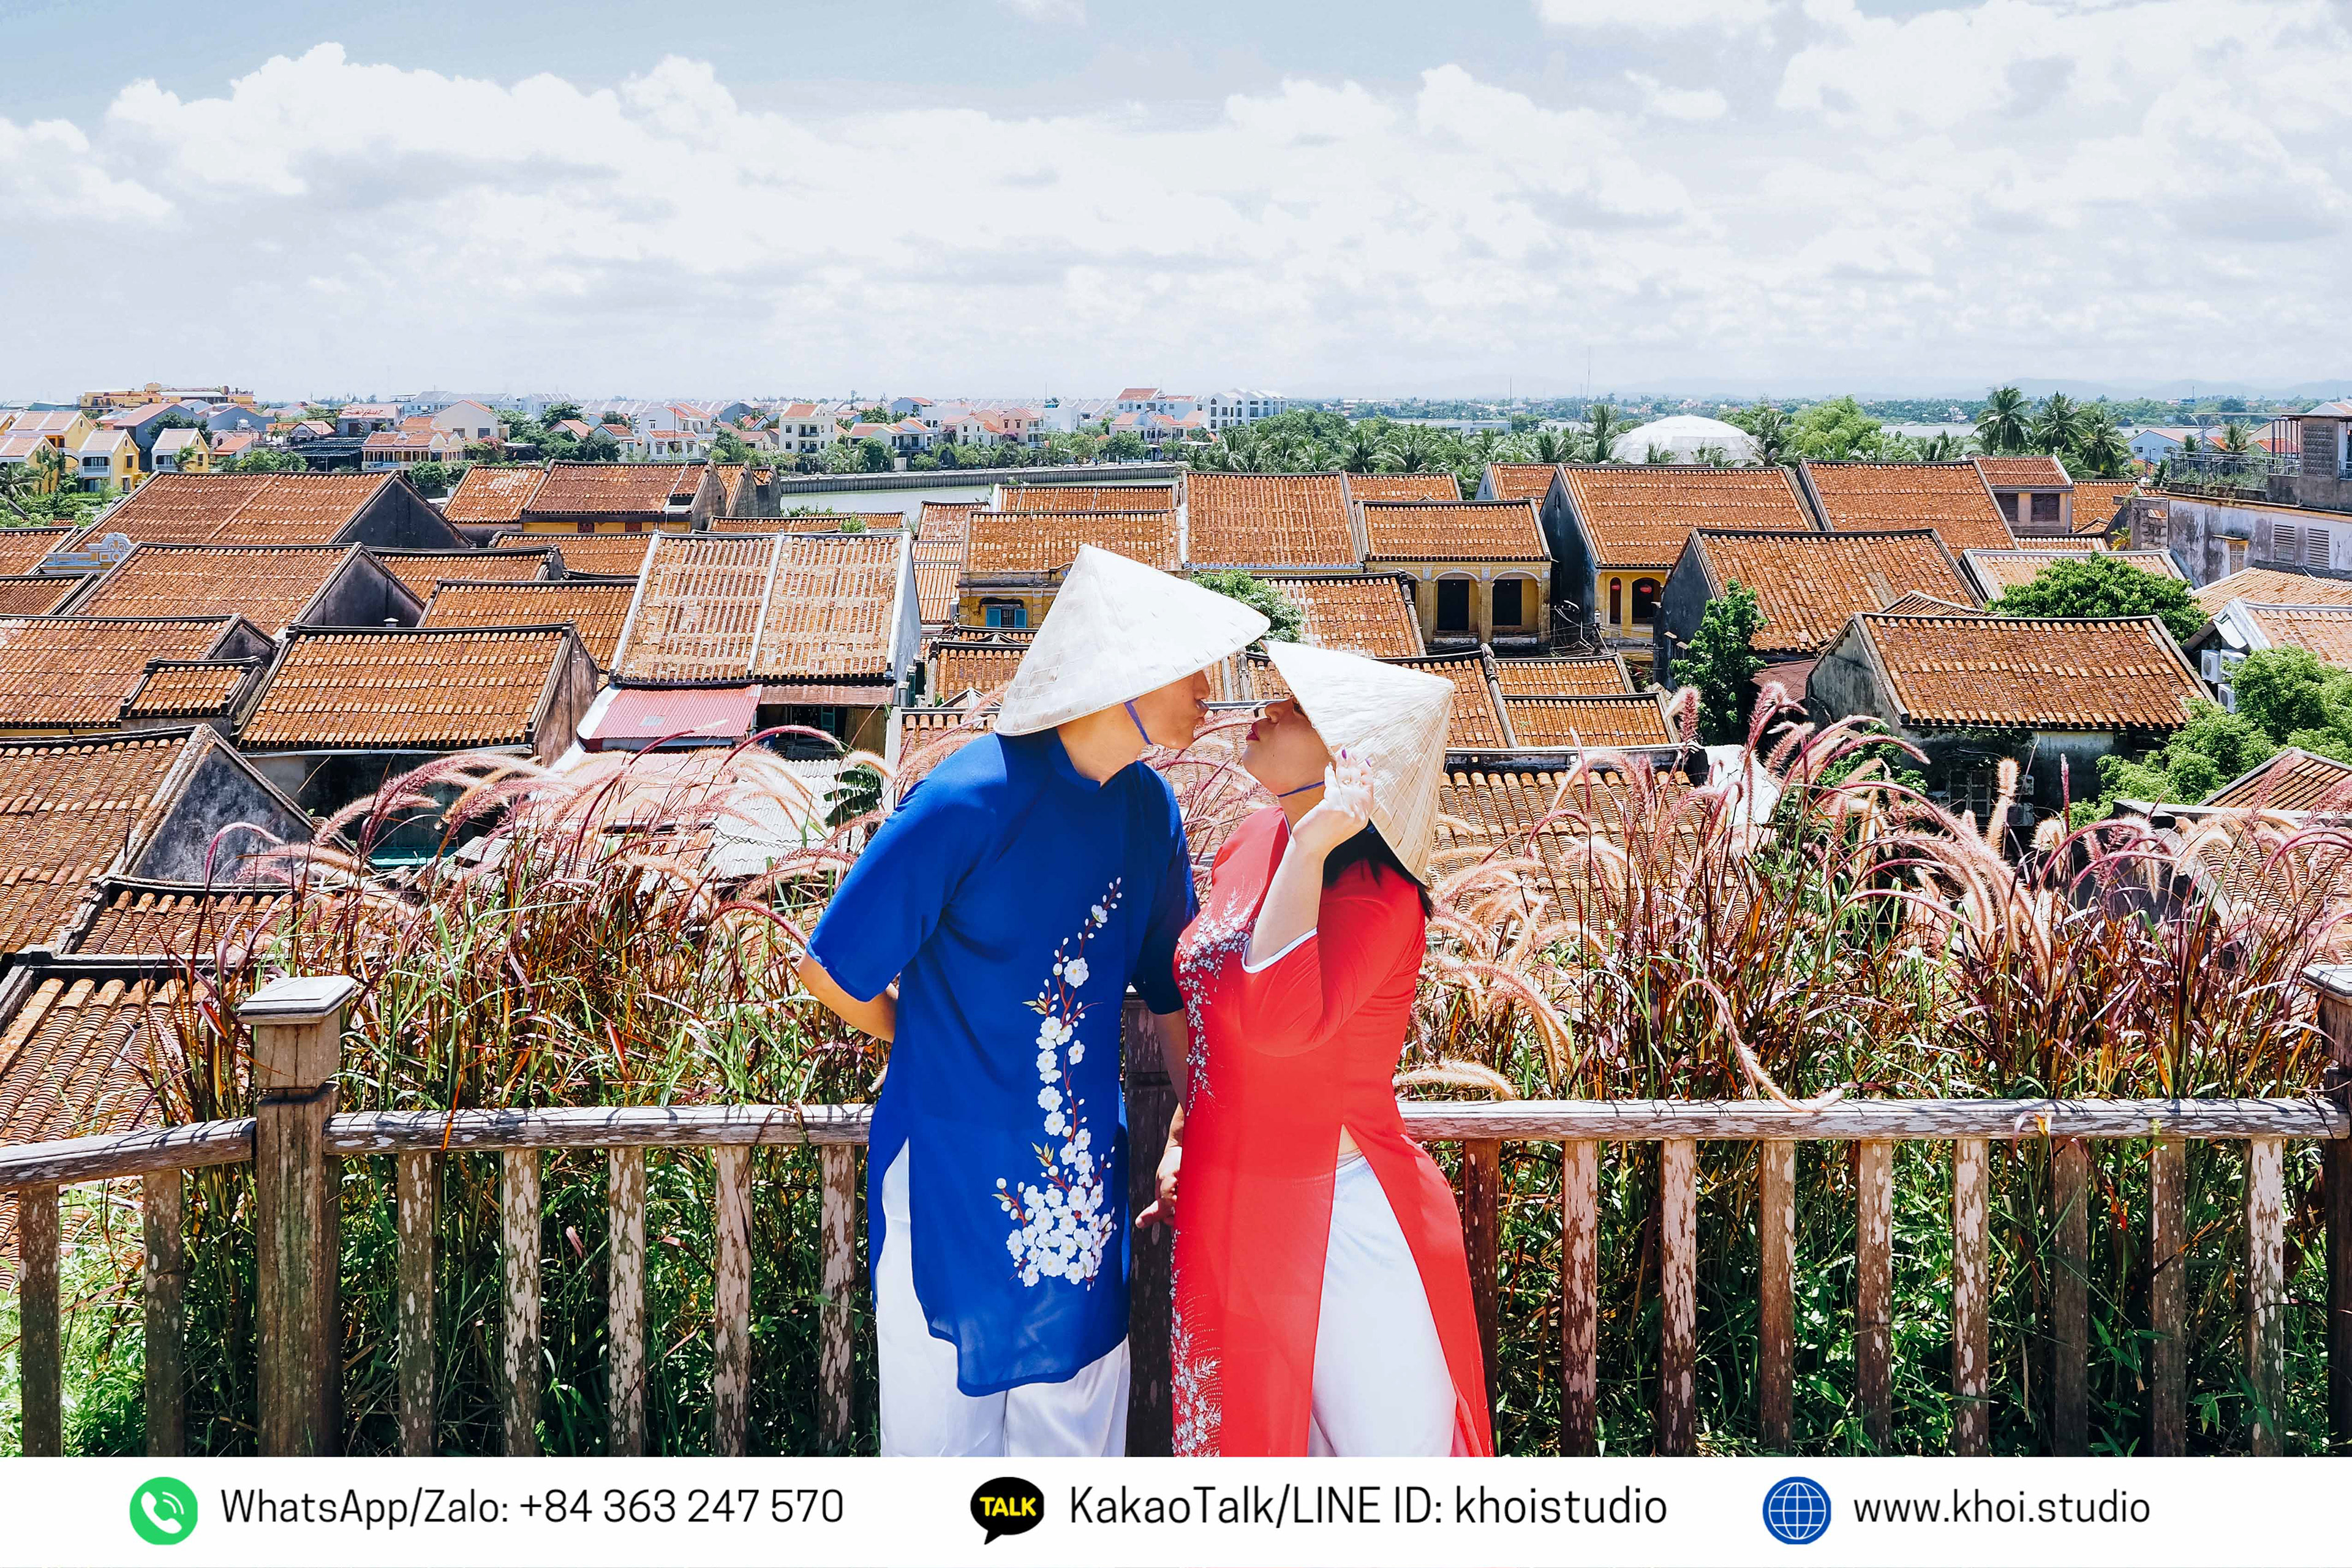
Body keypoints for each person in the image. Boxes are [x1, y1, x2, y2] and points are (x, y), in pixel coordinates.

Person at [798, 545, 1267, 1458]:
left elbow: (1173, 996)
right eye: (1189, 665)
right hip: (946, 1179)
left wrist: (1203, 1129)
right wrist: (932, 1044)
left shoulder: (1149, 814)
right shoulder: (971, 796)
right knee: (942, 1461)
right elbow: (831, 967)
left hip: (1080, 1195)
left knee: (1076, 1452)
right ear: (1119, 674)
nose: (1211, 689)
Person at [1142, 639, 1493, 1457]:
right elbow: (1210, 1020)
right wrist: (1187, 1138)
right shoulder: (1249, 843)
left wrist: (1311, 846)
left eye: (1292, 708)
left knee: (1383, 1478)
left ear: (1346, 758)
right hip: (1233, 1203)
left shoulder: (1377, 895)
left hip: (1338, 1213)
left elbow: (1276, 1022)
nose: (1262, 712)